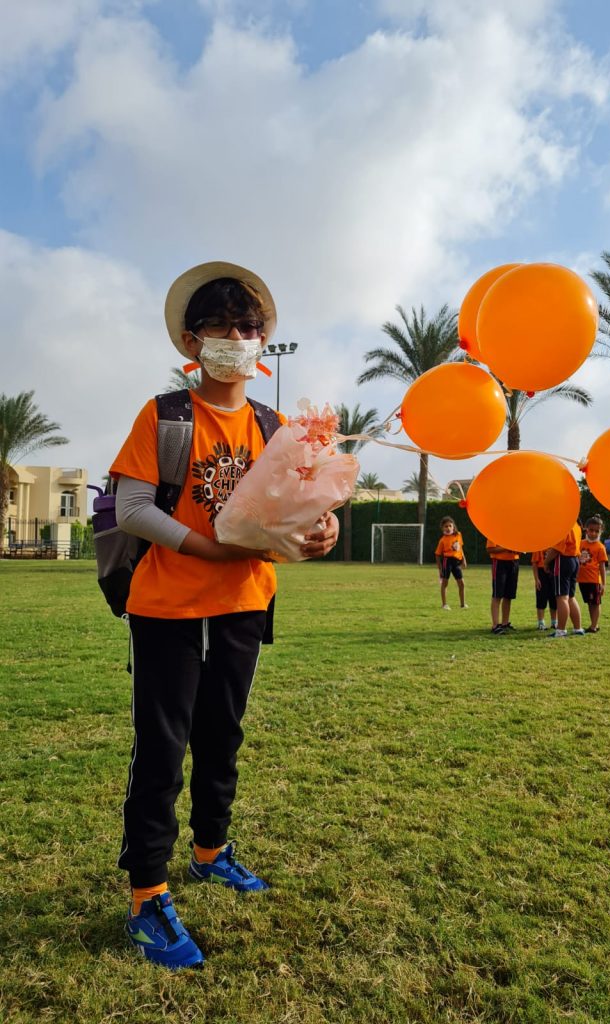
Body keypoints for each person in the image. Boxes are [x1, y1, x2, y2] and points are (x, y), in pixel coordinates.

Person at [111, 261, 339, 970]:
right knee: (161, 750)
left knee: (223, 738)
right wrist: (205, 548)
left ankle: (211, 851)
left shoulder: (277, 425)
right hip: (169, 607)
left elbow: (296, 515)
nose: (239, 338)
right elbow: (133, 510)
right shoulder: (165, 415)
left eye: (251, 328)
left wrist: (321, 534)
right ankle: (147, 896)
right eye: (223, 326)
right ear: (191, 339)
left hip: (245, 605)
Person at [543, 521, 585, 638]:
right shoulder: (576, 526)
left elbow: (557, 549)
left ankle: (561, 630)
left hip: (563, 560)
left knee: (562, 597)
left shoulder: (564, 525)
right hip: (574, 560)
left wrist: (546, 562)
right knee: (571, 597)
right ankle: (578, 628)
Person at [577, 516, 608, 632]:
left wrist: (604, 584)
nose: (593, 533)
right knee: (590, 603)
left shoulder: (600, 547)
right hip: (582, 580)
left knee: (595, 603)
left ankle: (594, 626)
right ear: (586, 529)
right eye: (591, 530)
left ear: (600, 531)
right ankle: (594, 624)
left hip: (594, 581)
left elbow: (602, 567)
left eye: (597, 531)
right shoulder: (580, 544)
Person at [486, 538, 519, 633]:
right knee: (497, 594)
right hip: (499, 562)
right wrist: (506, 547)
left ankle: (505, 623)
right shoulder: (494, 531)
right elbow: (490, 549)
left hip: (514, 562)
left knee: (508, 595)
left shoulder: (514, 532)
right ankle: (495, 625)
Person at [435, 516, 467, 609]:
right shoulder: (442, 540)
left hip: (456, 562)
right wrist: (440, 569)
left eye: (450, 526)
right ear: (442, 528)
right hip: (447, 562)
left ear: (453, 527)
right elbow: (437, 555)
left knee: (461, 583)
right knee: (445, 583)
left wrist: (464, 559)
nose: (448, 528)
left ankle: (462, 604)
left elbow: (460, 548)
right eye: (446, 526)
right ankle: (444, 604)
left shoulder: (458, 535)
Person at [531, 549, 558, 631]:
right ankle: (541, 622)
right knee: (541, 598)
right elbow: (534, 563)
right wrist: (536, 579)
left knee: (554, 598)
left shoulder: (555, 545)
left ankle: (554, 622)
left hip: (553, 572)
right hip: (542, 573)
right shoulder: (539, 546)